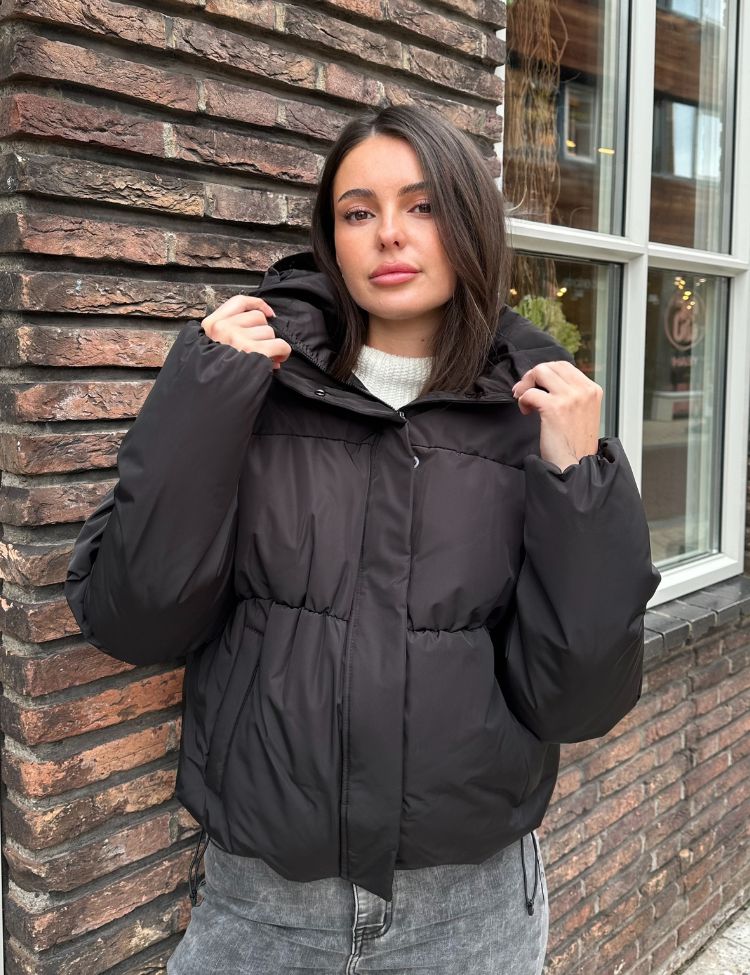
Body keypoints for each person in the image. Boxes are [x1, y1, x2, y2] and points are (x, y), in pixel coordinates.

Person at [65, 104, 661, 974]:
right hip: (263, 907)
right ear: (332, 238)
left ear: (470, 223)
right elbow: (136, 617)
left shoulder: (537, 419)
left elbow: (581, 701)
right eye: (358, 211)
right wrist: (203, 395)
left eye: (423, 206)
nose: (389, 234)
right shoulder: (250, 385)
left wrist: (577, 480)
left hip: (469, 913)